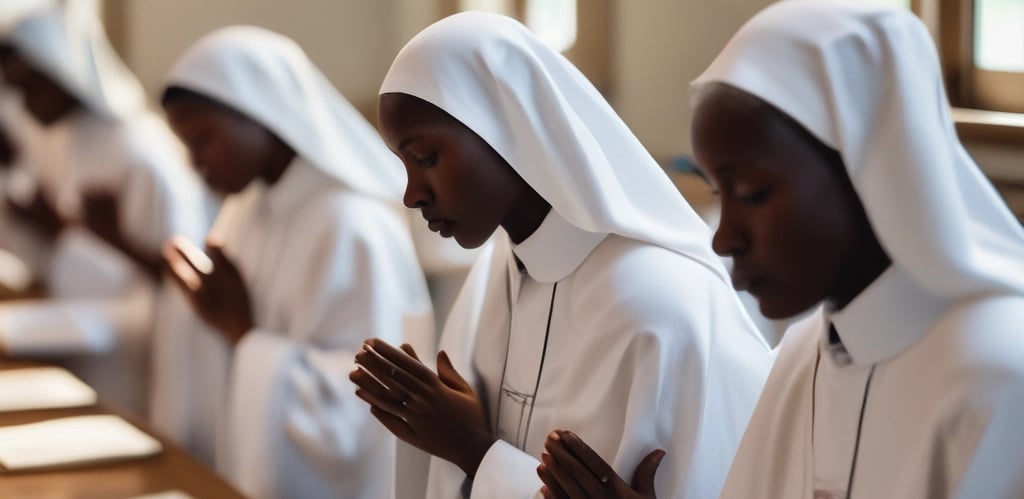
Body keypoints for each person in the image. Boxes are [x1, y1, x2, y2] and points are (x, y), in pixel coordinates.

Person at [349, 12, 771, 499]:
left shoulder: (661, 307)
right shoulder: (492, 278)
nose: (412, 194)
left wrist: (474, 451)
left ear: (510, 127)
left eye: (425, 158)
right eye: (403, 164)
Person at [696, 1, 1022, 497]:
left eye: (752, 193)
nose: (724, 238)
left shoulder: (998, 373)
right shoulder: (803, 353)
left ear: (868, 168)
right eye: (720, 195)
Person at [155, 26, 434, 499]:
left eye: (203, 140)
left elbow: (358, 412)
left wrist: (241, 332)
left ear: (261, 114)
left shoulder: (353, 225)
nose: (194, 163)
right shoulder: (246, 209)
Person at [0, 4, 210, 415]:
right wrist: (55, 228)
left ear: (63, 71)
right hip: (80, 306)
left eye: (30, 86)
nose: (23, 105)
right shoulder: (67, 136)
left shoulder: (140, 149)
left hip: (142, 327)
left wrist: (100, 237)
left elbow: (178, 273)